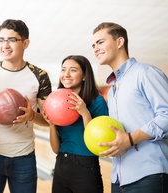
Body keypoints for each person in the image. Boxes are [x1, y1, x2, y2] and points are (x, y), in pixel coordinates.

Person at [0, 19, 52, 193]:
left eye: (11, 40)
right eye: (1, 40)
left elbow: (49, 120)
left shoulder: (39, 75)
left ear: (25, 43)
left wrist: (31, 115)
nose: (5, 45)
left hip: (24, 157)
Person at [92, 22, 168, 193]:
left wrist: (131, 138)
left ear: (119, 42)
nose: (95, 48)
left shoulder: (145, 73)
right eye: (93, 45)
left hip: (149, 175)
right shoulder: (112, 90)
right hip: (119, 177)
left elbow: (166, 115)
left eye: (101, 42)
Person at [43, 55, 108, 193]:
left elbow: (98, 143)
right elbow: (56, 149)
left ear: (84, 76)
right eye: (63, 70)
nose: (66, 74)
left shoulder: (97, 102)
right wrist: (52, 124)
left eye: (73, 70)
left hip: (85, 168)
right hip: (61, 165)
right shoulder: (58, 103)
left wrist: (84, 113)